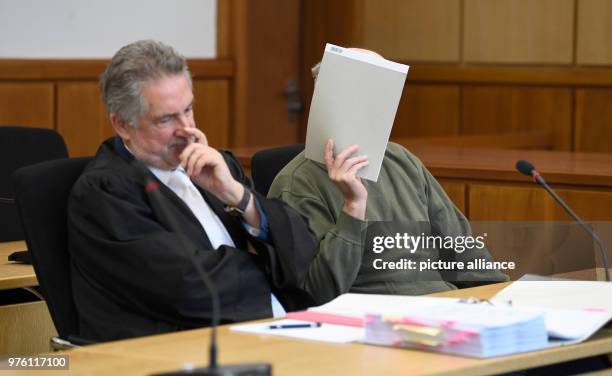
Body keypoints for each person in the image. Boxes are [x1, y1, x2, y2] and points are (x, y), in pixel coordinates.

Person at [67, 40, 316, 342]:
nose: (187, 129)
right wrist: (274, 269)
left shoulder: (217, 164)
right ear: (122, 125)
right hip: (171, 349)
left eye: (189, 109)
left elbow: (303, 247)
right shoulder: (103, 192)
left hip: (258, 330)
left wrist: (238, 196)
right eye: (166, 119)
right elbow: (188, 286)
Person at [268, 49, 508, 305]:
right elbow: (319, 292)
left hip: (444, 308)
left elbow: (461, 248)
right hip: (372, 319)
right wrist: (352, 208)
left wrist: (503, 297)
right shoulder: (296, 183)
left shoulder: (401, 160)